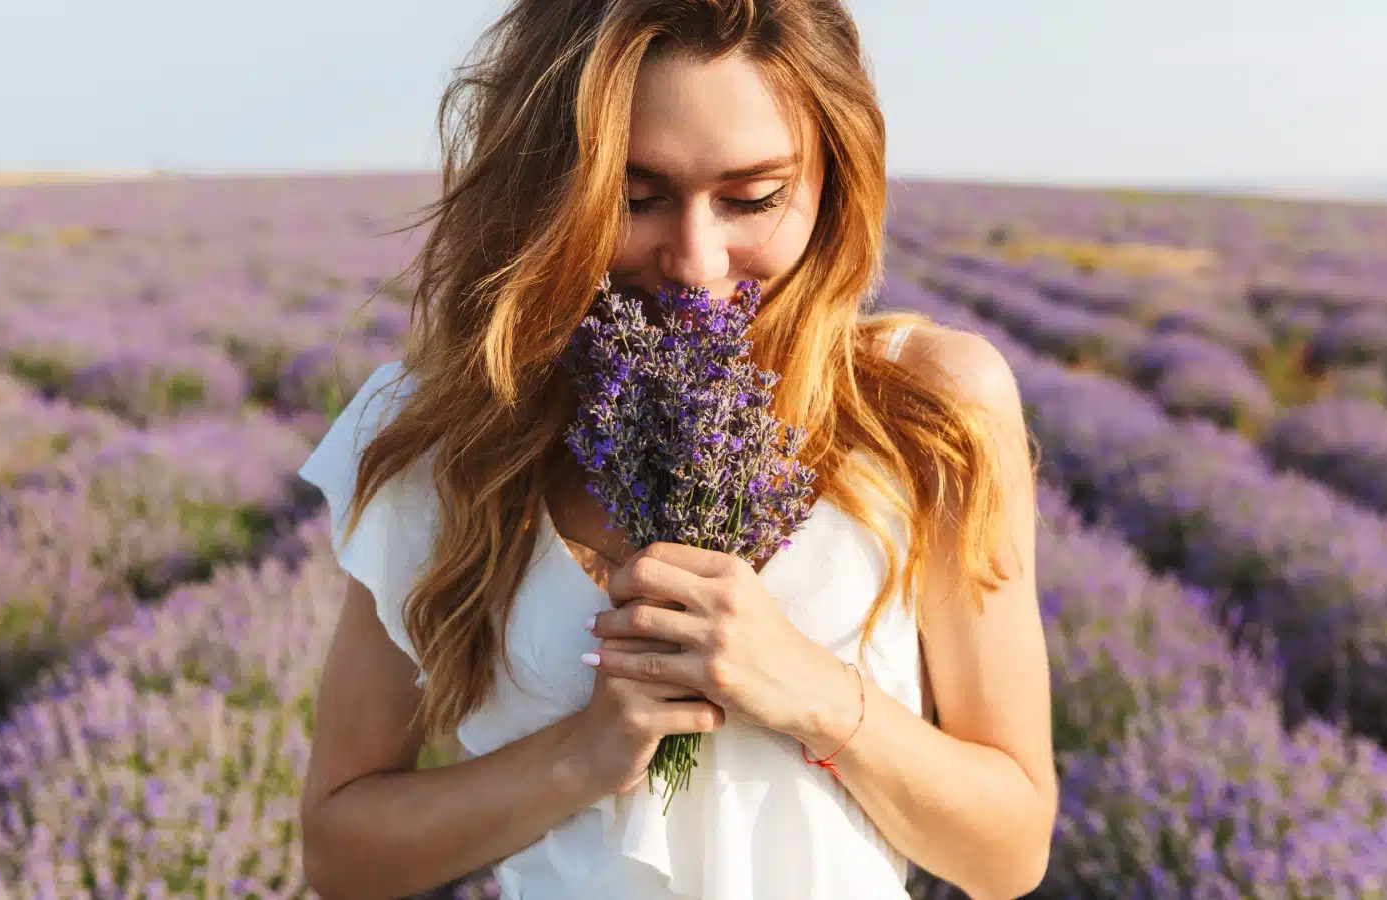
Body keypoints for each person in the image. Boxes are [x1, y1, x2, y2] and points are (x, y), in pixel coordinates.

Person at [295, 2, 1056, 898]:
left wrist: (815, 695)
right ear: (547, 187)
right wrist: (579, 759)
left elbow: (1008, 857)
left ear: (836, 179)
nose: (696, 261)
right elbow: (342, 854)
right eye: (635, 197)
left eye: (753, 198)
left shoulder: (929, 408)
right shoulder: (447, 430)